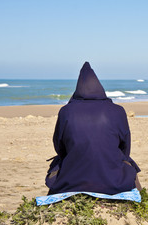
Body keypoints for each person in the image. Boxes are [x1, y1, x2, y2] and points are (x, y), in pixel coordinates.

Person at [46, 62, 141, 195]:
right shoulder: (117, 111)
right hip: (114, 180)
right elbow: (125, 146)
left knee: (58, 164)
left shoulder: (66, 111)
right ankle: (142, 202)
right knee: (130, 166)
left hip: (72, 180)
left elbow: (59, 146)